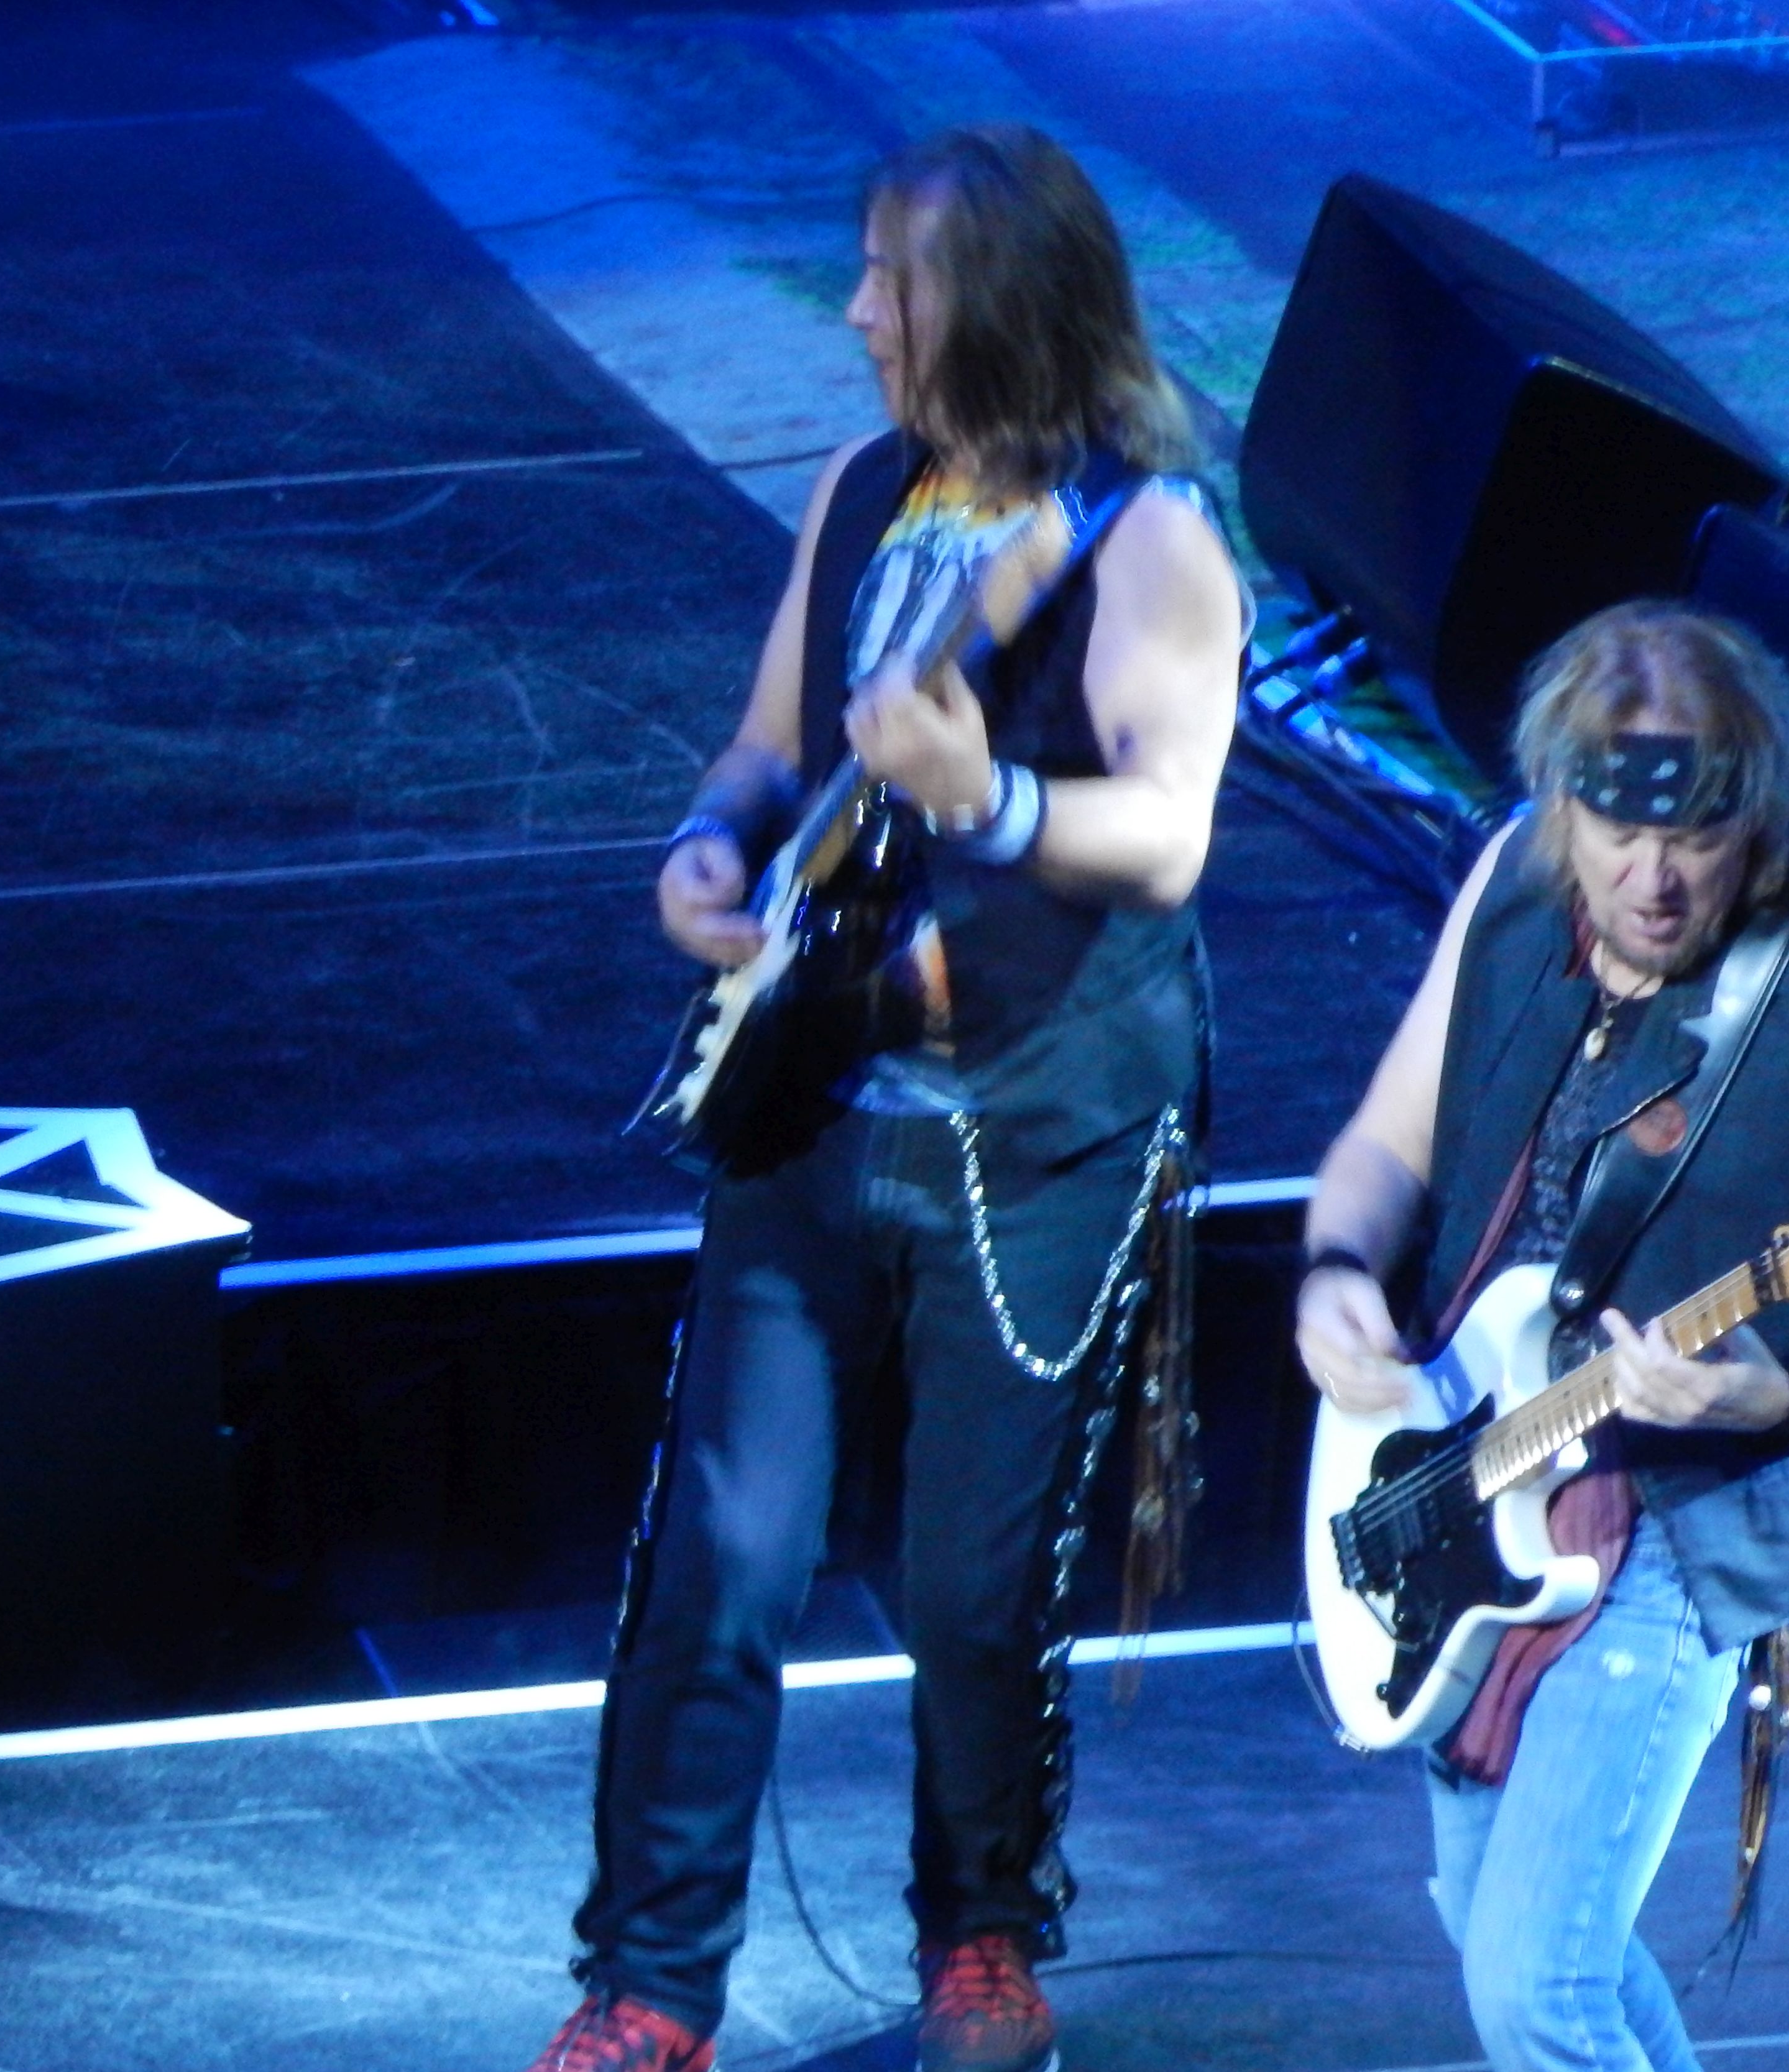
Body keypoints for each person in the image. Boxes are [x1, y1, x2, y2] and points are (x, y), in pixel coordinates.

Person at [525, 126, 1244, 2072]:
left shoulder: (1150, 541)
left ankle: (983, 1934)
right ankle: (651, 1984)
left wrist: (983, 797)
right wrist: (707, 844)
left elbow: (1168, 835)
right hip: (819, 1100)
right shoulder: (862, 490)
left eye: (889, 279)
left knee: (971, 1584)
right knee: (722, 1554)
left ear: (995, 305)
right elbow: (769, 746)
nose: (855, 314)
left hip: (1039, 1134)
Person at [1295, 602, 1789, 2072]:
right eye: (1619, 836)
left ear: (1761, 816)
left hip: (1683, 1515)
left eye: (1698, 838)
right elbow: (1383, 1141)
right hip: (1482, 1465)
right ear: (1559, 804)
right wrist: (1331, 1269)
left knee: (1534, 1988)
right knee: (1496, 1927)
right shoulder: (1509, 884)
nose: (1656, 878)